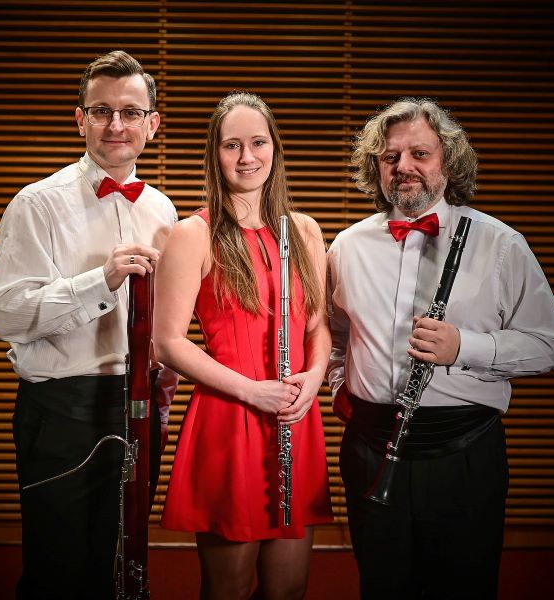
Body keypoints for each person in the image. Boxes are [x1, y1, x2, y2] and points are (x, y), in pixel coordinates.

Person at [327, 97, 554, 599]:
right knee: (382, 587)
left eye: (420, 153)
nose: (404, 168)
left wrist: (466, 346)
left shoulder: (498, 243)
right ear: (374, 166)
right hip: (371, 446)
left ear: (447, 161)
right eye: (390, 156)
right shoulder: (347, 247)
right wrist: (341, 389)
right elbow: (336, 340)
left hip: (463, 451)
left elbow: (553, 346)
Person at [0, 50, 178, 600]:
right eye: (102, 111)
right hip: (61, 408)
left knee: (123, 559)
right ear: (80, 119)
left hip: (138, 402)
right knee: (59, 569)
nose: (116, 125)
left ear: (152, 124)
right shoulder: (36, 204)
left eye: (131, 112)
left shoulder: (165, 211)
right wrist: (101, 280)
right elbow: (5, 313)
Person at [154, 92, 333, 600]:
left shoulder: (304, 230)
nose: (247, 157)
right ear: (215, 153)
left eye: (258, 142)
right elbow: (167, 342)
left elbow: (317, 327)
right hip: (230, 414)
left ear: (275, 147)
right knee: (228, 588)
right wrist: (253, 392)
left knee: (289, 589)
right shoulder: (193, 234)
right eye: (232, 145)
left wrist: (315, 377)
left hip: (294, 416)